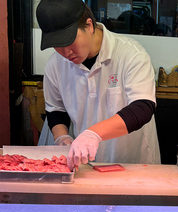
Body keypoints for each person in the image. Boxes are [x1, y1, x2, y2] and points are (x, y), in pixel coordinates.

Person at [36, 0, 160, 169]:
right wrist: (62, 138)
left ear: (89, 26)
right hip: (84, 165)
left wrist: (93, 134)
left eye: (68, 41)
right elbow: (56, 111)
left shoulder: (131, 54)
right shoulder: (55, 64)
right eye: (57, 45)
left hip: (132, 161)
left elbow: (143, 107)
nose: (65, 52)